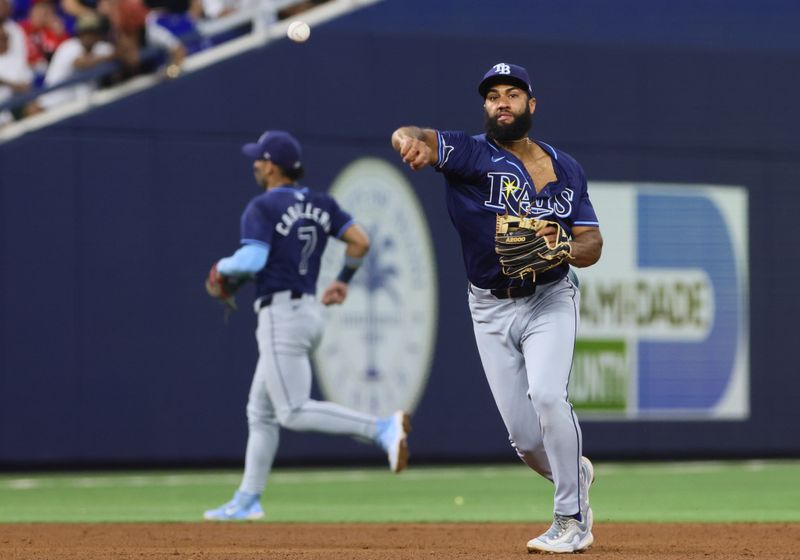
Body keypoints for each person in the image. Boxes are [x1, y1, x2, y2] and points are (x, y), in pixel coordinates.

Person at [390, 62, 603, 554]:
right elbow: (412, 132)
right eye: (492, 96)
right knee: (526, 442)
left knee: (548, 396)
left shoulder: (565, 167)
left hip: (550, 296)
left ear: (532, 104)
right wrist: (408, 142)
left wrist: (562, 246)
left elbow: (592, 243)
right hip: (488, 307)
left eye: (511, 94)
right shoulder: (469, 153)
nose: (501, 102)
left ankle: (571, 520)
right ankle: (575, 473)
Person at [203, 129, 411, 521]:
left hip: (282, 316)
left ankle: (382, 427)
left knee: (292, 411)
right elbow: (360, 241)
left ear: (271, 165)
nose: (255, 164)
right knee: (260, 412)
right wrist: (343, 281)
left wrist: (220, 268)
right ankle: (248, 500)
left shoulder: (262, 206)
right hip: (309, 312)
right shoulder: (321, 202)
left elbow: (250, 262)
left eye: (258, 159)